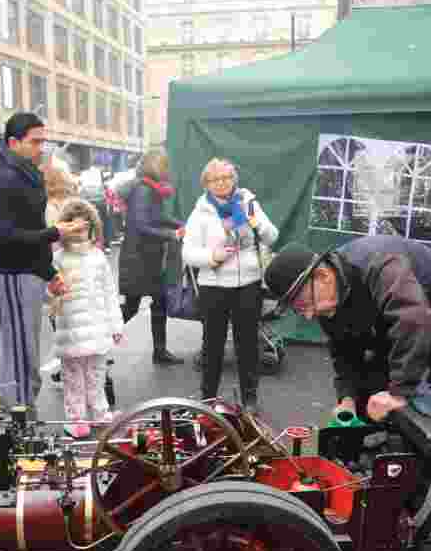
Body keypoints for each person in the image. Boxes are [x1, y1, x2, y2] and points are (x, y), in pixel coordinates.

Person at [264, 237, 431, 511]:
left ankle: (405, 505)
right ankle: (366, 481)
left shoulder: (380, 264)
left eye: (304, 304)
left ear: (323, 275)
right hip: (400, 321)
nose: (308, 316)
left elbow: (414, 317)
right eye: (299, 310)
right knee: (370, 397)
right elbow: (344, 350)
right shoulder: (329, 296)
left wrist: (400, 392)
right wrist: (347, 398)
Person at [0, 112, 85, 409]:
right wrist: (55, 233)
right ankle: (19, 417)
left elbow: (31, 228)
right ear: (13, 143)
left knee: (24, 352)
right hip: (11, 275)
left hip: (25, 275)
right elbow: (0, 236)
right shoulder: (3, 180)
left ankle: (21, 413)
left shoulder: (27, 175)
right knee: (20, 354)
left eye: (43, 141)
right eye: (35, 142)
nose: (41, 148)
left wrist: (48, 272)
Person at [183, 158, 279, 412]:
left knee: (247, 345)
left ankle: (249, 399)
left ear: (234, 179)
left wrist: (255, 221)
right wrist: (212, 257)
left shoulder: (248, 203)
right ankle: (208, 399)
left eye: (226, 177)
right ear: (206, 183)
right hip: (213, 287)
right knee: (212, 346)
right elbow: (188, 253)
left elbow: (272, 236)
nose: (221, 183)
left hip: (248, 284)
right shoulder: (201, 212)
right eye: (215, 179)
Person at [48, 198, 123, 437]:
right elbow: (48, 294)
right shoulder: (58, 259)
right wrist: (53, 292)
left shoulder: (98, 257)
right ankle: (78, 419)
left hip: (97, 329)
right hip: (72, 330)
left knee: (95, 376)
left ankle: (98, 414)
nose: (80, 233)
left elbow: (109, 293)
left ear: (92, 228)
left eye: (84, 228)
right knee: (74, 378)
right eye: (74, 228)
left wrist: (116, 325)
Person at [117, 149, 185, 365]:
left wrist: (181, 224)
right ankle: (95, 342)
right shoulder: (144, 190)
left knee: (159, 302)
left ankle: (160, 351)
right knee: (131, 308)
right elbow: (142, 226)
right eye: (164, 166)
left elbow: (159, 216)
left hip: (145, 258)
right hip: (139, 260)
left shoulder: (149, 189)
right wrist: (172, 234)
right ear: (155, 166)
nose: (167, 170)